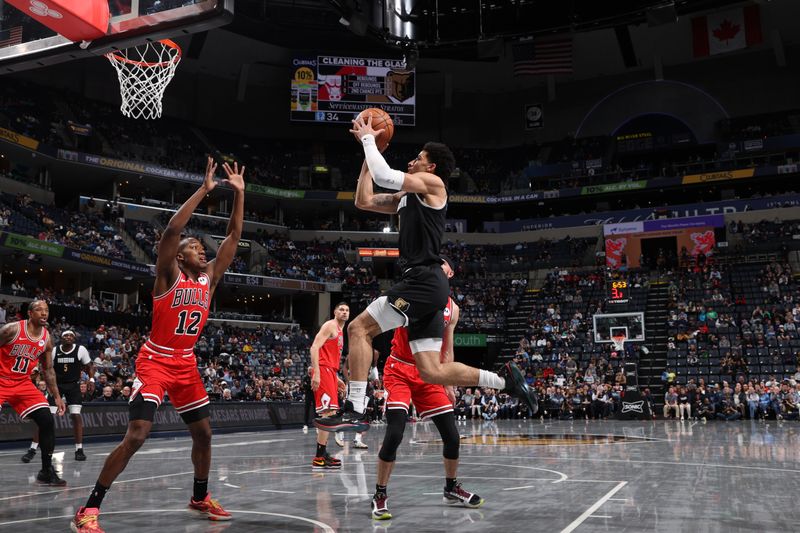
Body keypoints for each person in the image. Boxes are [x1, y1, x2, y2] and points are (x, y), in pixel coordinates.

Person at [316, 116, 536, 433]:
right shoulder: (407, 196)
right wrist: (369, 153)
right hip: (429, 287)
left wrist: (368, 139)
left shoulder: (435, 185)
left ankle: (355, 408)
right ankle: (504, 381)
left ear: (431, 167)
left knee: (359, 328)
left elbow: (385, 174)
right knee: (432, 370)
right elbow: (363, 200)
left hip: (421, 280)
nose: (412, 160)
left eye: (419, 158)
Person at [71, 158, 245, 532]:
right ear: (180, 257)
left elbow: (233, 238)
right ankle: (89, 508)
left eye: (202, 247)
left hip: (186, 363)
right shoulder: (168, 276)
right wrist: (204, 190)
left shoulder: (210, 278)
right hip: (155, 361)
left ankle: (200, 496)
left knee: (204, 434)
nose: (202, 250)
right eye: (195, 247)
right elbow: (172, 229)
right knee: (137, 435)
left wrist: (240, 196)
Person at [372, 258, 483, 521]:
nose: (435, 269)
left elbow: (447, 347)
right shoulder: (412, 291)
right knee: (395, 433)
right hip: (400, 368)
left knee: (452, 436)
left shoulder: (452, 309)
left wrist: (449, 381)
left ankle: (451, 487)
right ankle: (379, 494)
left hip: (430, 372)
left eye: (441, 266)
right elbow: (387, 305)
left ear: (450, 273)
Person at [0, 300, 66, 485]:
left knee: (46, 419)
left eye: (46, 310)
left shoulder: (46, 338)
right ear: (30, 313)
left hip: (22, 383)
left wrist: (57, 396)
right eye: (39, 309)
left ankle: (46, 471)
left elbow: (49, 369)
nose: (44, 313)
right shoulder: (11, 330)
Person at [22, 330, 93, 463]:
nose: (68, 337)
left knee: (76, 415)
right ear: (60, 338)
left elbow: (89, 366)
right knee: (45, 417)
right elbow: (48, 368)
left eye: (71, 335)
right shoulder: (54, 351)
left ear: (74, 338)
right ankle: (32, 449)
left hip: (73, 385)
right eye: (66, 335)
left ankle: (79, 449)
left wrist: (92, 379)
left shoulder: (81, 349)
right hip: (57, 386)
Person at [310, 302, 349, 470]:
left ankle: (322, 453)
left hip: (330, 371)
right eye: (341, 309)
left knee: (330, 413)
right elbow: (314, 347)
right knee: (328, 413)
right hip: (323, 370)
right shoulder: (330, 325)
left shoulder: (340, 331)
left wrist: (336, 377)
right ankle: (319, 456)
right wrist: (317, 373)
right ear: (334, 312)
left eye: (347, 310)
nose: (344, 312)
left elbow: (329, 354)